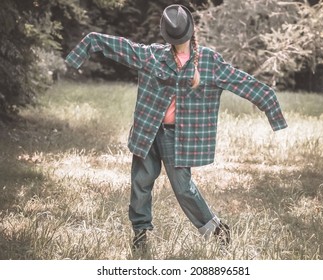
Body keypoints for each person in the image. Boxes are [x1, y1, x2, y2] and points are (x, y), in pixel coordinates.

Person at [65, 4, 288, 253]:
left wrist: (272, 109)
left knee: (183, 189)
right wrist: (80, 54)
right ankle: (140, 234)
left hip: (179, 137)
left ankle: (216, 229)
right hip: (148, 131)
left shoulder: (208, 61)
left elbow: (242, 81)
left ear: (189, 33)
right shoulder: (153, 55)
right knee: (141, 182)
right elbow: (115, 46)